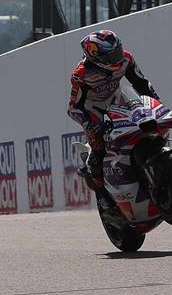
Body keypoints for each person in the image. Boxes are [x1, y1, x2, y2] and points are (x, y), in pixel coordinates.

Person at [66, 30, 160, 194]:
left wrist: (155, 103)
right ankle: (102, 193)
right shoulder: (80, 75)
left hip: (116, 97)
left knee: (145, 122)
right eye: (110, 55)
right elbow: (74, 108)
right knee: (99, 146)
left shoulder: (126, 59)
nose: (117, 57)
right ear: (94, 57)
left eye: (118, 51)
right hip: (92, 106)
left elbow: (141, 83)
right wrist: (91, 125)